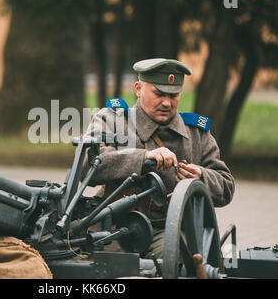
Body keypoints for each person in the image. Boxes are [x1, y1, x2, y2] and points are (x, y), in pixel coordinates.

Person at [82, 58, 235, 259]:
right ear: (138, 89)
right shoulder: (111, 121)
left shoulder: (197, 134)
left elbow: (226, 186)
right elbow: (87, 165)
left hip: (170, 230)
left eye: (173, 95)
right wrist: (142, 158)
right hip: (114, 226)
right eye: (159, 94)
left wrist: (201, 176)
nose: (166, 102)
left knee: (174, 257)